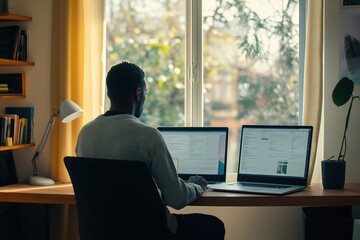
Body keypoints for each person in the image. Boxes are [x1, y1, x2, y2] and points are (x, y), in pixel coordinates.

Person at [75, 61, 225, 239]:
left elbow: (116, 192)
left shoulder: (85, 133)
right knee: (214, 226)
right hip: (150, 232)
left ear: (109, 93)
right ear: (138, 93)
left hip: (102, 232)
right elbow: (176, 199)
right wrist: (195, 186)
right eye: (145, 92)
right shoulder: (148, 136)